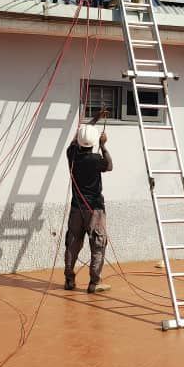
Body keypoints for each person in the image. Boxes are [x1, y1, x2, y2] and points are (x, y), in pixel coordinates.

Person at [64, 111, 113, 294]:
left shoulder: (71, 154)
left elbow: (78, 138)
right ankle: (94, 283)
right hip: (95, 210)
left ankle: (69, 279)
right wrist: (103, 145)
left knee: (73, 242)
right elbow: (109, 165)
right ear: (93, 143)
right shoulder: (96, 160)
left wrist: (94, 120)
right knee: (98, 245)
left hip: (77, 209)